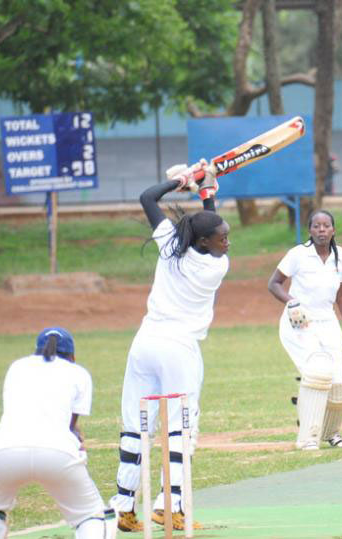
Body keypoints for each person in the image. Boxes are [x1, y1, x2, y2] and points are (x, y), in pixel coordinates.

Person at [110, 161, 228, 532]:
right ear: (207, 242)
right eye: (224, 237)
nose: (228, 241)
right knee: (179, 430)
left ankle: (123, 507)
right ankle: (167, 505)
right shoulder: (216, 266)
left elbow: (148, 198)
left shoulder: (169, 243)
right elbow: (211, 231)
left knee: (134, 426)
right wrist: (204, 192)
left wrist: (182, 182)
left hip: (144, 343)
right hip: (179, 348)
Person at [0, 327, 116, 538]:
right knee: (91, 515)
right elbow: (71, 426)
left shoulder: (17, 366)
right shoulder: (78, 373)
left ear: (37, 350)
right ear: (72, 356)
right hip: (58, 453)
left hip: (4, 450)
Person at [267, 210, 342, 451]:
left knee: (338, 380)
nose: (321, 230)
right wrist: (291, 302)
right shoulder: (298, 254)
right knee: (317, 373)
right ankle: (308, 437)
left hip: (327, 320)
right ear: (310, 230)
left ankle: (331, 432)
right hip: (299, 320)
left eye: (326, 225)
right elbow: (274, 284)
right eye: (316, 226)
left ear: (333, 230)